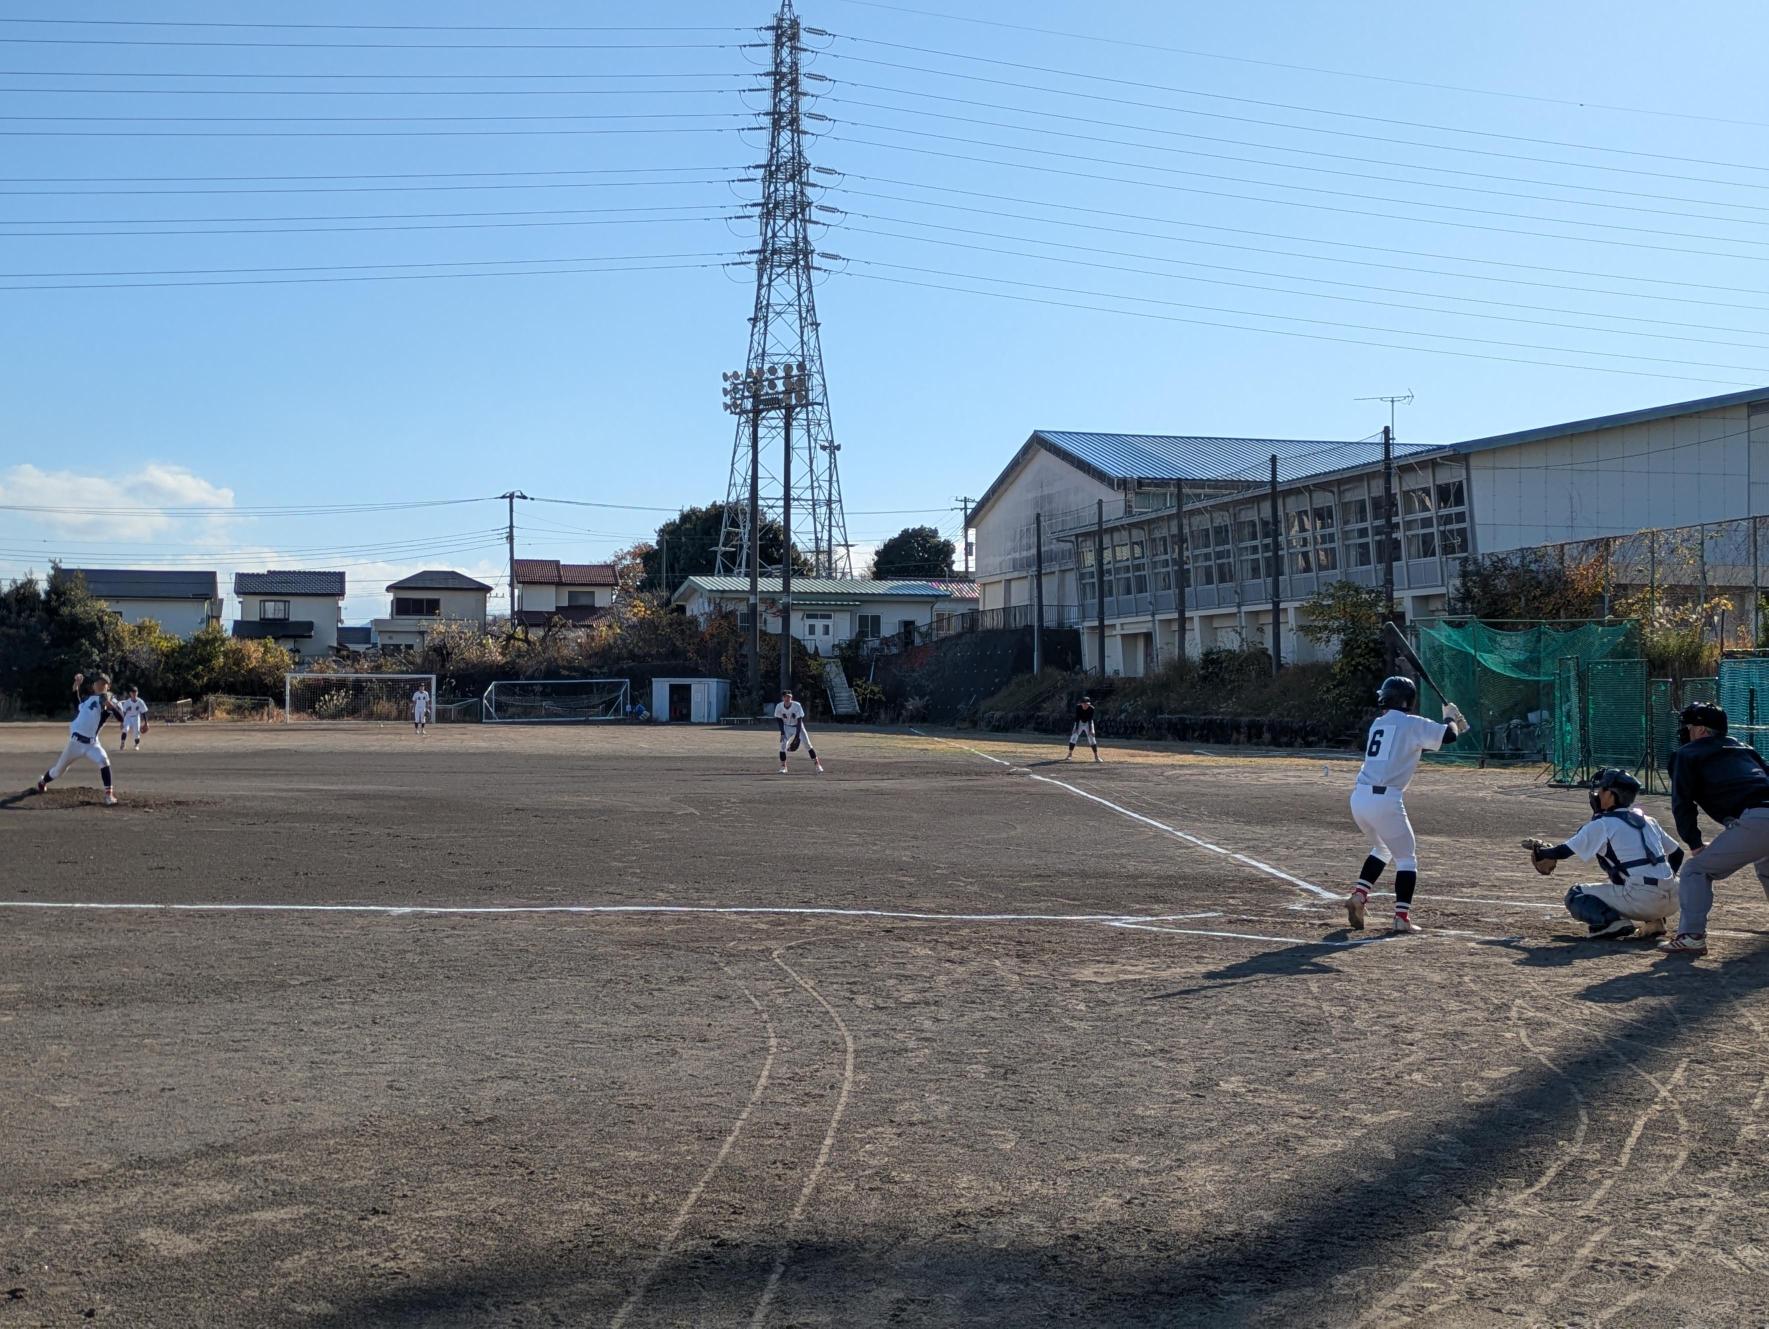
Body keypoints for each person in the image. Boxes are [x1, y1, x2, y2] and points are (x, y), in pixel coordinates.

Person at [1345, 675, 1468, 934]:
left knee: (1382, 848)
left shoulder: (1378, 724)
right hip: (1385, 799)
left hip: (1360, 798)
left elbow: (1431, 738)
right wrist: (1450, 717)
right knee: (1407, 859)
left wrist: (1453, 723)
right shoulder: (1411, 723)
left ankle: (1359, 895)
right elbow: (1449, 737)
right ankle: (1401, 918)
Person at [1660, 700, 1769, 955]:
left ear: (1700, 730)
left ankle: (1691, 935)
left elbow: (1683, 804)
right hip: (1759, 816)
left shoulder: (1686, 754)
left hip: (1758, 818)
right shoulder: (1745, 749)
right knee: (1766, 863)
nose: (1684, 731)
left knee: (1695, 871)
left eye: (1687, 726)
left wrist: (1695, 844)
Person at [1525, 767, 1682, 941]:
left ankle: (1611, 923)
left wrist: (1540, 851)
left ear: (1610, 795)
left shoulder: (1603, 823)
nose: (1597, 794)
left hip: (1643, 899)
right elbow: (1678, 854)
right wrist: (1665, 882)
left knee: (1575, 894)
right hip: (1674, 898)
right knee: (1629, 871)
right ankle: (1655, 922)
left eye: (1601, 789)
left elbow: (1562, 852)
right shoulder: (1648, 820)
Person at [36, 672, 126, 806]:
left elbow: (121, 717)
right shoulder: (87, 699)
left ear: (108, 686)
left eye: (103, 683)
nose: (100, 685)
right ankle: (43, 782)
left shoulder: (111, 700)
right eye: (97, 683)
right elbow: (75, 703)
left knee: (104, 761)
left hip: (92, 744)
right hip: (75, 743)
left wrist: (110, 705)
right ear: (93, 686)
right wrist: (76, 686)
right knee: (58, 771)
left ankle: (109, 795)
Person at [773, 689, 822, 775]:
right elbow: (779, 720)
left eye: (789, 697)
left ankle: (817, 765)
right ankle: (783, 767)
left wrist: (797, 737)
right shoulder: (779, 706)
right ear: (782, 698)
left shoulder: (796, 705)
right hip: (786, 727)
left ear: (791, 697)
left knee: (807, 745)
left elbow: (799, 721)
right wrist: (782, 732)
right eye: (785, 697)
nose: (787, 698)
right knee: (783, 746)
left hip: (798, 726)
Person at [1067, 694, 1101, 762]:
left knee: (1092, 738)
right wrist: (1076, 729)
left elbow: (1090, 719)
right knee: (1074, 736)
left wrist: (1091, 730)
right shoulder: (1078, 707)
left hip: (1088, 723)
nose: (1085, 705)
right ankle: (1070, 754)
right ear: (1081, 703)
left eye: (1087, 704)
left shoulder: (1091, 709)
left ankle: (1096, 756)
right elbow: (1077, 718)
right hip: (1079, 722)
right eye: (1084, 704)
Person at [118, 686, 148, 751]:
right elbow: (124, 713)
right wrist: (122, 722)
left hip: (136, 717)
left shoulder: (140, 702)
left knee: (136, 732)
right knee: (125, 729)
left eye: (135, 692)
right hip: (127, 717)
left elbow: (143, 712)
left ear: (137, 693)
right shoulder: (127, 702)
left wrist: (146, 723)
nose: (134, 694)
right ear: (130, 693)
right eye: (132, 692)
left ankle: (136, 745)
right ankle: (122, 743)